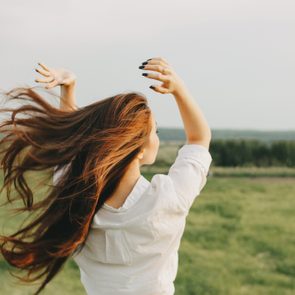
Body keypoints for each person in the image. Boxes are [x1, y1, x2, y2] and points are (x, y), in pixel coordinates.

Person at [0, 57, 212, 295]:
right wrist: (179, 89)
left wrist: (68, 89)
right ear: (139, 149)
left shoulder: (76, 199)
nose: (157, 137)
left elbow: (70, 146)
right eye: (155, 131)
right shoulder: (168, 198)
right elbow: (199, 138)